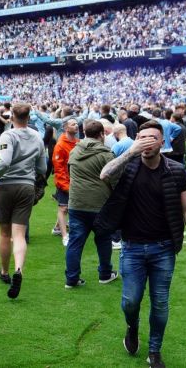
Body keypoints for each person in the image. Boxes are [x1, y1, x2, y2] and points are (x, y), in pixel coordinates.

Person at [96, 120, 186, 368]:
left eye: (152, 138)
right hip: (133, 247)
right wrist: (131, 151)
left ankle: (155, 351)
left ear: (162, 142)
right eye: (142, 137)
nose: (146, 142)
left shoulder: (176, 170)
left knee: (160, 302)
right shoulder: (128, 166)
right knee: (130, 301)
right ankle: (132, 326)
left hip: (163, 248)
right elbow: (104, 174)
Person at [0, 103, 47, 299]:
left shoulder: (7, 135)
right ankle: (18, 270)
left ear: (11, 117)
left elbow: (4, 161)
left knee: (4, 233)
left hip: (6, 186)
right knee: (19, 234)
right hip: (27, 186)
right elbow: (42, 168)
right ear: (29, 117)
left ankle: (4, 271)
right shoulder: (37, 136)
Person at [64, 120, 117, 288]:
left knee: (75, 241)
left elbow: (69, 172)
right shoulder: (106, 154)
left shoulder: (74, 151)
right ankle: (105, 273)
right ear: (102, 134)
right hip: (99, 204)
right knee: (103, 239)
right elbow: (115, 179)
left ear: (85, 133)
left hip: (76, 203)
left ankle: (71, 278)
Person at [52, 118, 79, 246]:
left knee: (68, 207)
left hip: (76, 181)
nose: (76, 125)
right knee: (63, 208)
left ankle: (57, 227)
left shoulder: (78, 142)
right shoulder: (61, 145)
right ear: (66, 128)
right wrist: (65, 186)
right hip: (65, 182)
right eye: (73, 124)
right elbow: (59, 168)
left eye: (76, 123)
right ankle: (64, 236)